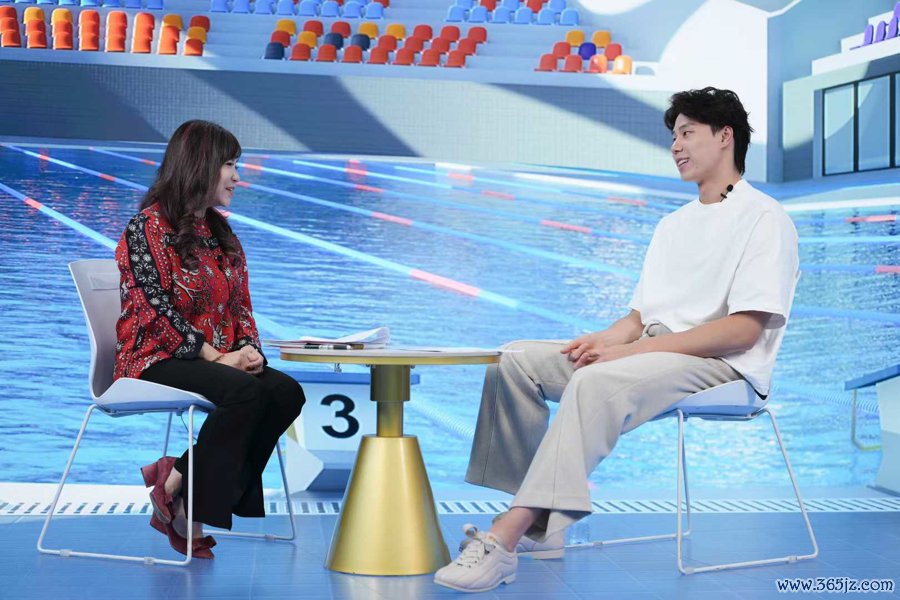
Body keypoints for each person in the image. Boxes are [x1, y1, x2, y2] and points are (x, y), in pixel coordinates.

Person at [434, 87, 800, 592]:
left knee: (594, 381)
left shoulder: (765, 218)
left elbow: (743, 331)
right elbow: (638, 318)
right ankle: (546, 527)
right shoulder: (673, 225)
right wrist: (601, 340)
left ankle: (506, 538)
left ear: (725, 136)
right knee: (514, 359)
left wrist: (628, 351)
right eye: (673, 137)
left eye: (688, 133)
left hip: (724, 366)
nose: (676, 146)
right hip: (651, 352)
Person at [114, 120, 306, 558]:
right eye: (230, 165)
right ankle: (187, 511)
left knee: (284, 392)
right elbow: (153, 309)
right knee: (243, 393)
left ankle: (178, 480)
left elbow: (241, 306)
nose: (238, 177)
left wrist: (249, 351)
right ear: (201, 165)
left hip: (217, 359)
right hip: (154, 357)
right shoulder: (145, 228)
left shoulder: (220, 233)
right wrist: (215, 357)